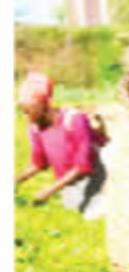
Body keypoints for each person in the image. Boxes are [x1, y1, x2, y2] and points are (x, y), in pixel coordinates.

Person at [15, 71, 111, 219]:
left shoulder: (74, 120)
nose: (25, 116)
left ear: (43, 105)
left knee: (93, 215)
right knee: (74, 209)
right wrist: (16, 180)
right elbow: (40, 163)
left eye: (28, 111)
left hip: (97, 177)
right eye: (23, 112)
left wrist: (48, 191)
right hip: (70, 183)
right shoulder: (35, 128)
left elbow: (83, 167)